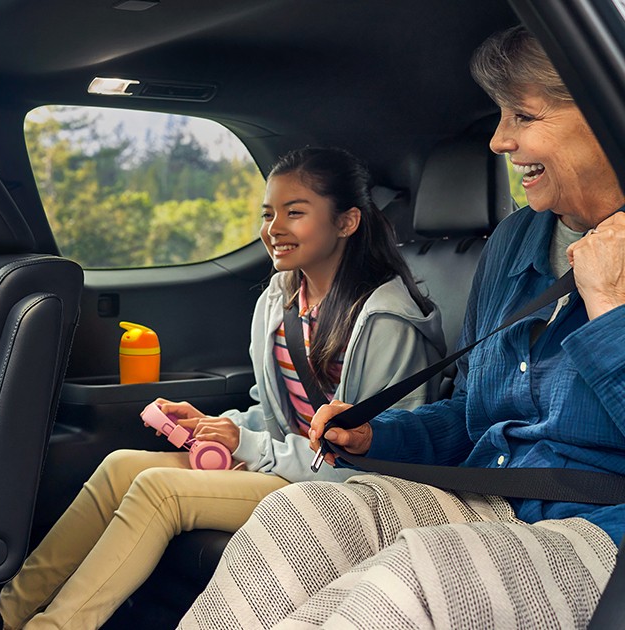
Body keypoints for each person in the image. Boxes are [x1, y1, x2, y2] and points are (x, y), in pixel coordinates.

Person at [180, 25, 625, 630]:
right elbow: (471, 413)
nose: (499, 140)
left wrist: (609, 310)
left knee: (408, 583)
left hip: (600, 528)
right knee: (297, 520)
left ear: (608, 114)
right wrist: (377, 435)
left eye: (523, 114)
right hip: (486, 496)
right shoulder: (516, 240)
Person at [0, 147, 447, 629]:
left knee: (159, 490)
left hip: (347, 486)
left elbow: (373, 451)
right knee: (119, 466)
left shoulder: (386, 321)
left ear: (347, 222)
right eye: (268, 213)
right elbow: (274, 414)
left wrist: (250, 447)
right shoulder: (280, 301)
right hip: (292, 465)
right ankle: (4, 613)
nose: (274, 228)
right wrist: (219, 426)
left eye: (295, 213)